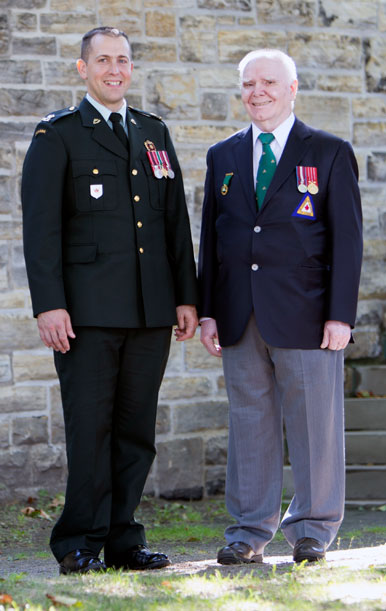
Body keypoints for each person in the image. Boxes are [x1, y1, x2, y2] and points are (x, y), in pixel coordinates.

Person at [22, 26, 198, 575]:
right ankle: (79, 541)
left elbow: (174, 222)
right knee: (91, 431)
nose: (115, 69)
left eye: (123, 59)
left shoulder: (153, 133)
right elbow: (41, 229)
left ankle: (124, 541)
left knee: (135, 433)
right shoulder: (59, 135)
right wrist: (49, 304)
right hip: (87, 315)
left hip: (150, 310)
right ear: (83, 68)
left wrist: (186, 296)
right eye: (103, 60)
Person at [198, 49, 362, 565]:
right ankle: (248, 533)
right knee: (250, 424)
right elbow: (212, 238)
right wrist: (207, 310)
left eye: (268, 82)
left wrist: (342, 314)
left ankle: (313, 528)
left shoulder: (330, 152)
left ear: (292, 89)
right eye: (248, 84)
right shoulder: (222, 155)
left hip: (309, 316)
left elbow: (348, 240)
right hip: (239, 314)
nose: (257, 92)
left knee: (315, 424)